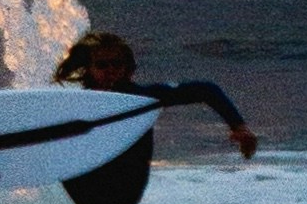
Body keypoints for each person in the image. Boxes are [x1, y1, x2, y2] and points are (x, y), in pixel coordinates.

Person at [54, 30, 258, 157]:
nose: (110, 70)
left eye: (117, 64)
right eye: (102, 65)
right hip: (86, 183)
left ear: (127, 68)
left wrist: (239, 127)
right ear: (88, 68)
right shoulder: (76, 100)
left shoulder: (139, 98)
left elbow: (207, 90)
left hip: (125, 185)